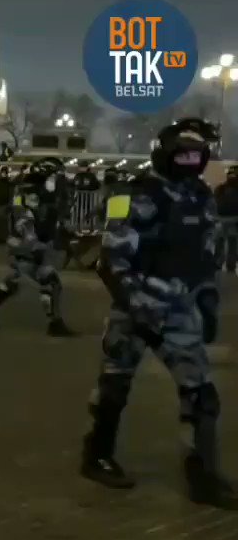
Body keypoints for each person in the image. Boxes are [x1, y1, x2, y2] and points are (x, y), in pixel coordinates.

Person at [83, 118, 236, 508]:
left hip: (180, 308)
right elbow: (112, 259)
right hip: (136, 309)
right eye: (183, 154)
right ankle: (96, 457)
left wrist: (207, 301)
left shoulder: (200, 195)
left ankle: (202, 476)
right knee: (113, 387)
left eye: (197, 155)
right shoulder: (134, 194)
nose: (190, 161)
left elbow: (204, 255)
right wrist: (139, 306)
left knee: (201, 394)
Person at [0, 157, 76, 337]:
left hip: (31, 244)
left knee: (16, 282)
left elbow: (49, 218)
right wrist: (34, 242)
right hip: (26, 245)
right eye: (56, 176)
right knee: (47, 281)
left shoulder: (42, 193)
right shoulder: (30, 193)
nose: (60, 180)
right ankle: (55, 324)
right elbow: (24, 220)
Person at [214, 165, 238, 273]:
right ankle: (230, 266)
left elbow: (214, 203)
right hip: (234, 220)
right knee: (232, 243)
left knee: (220, 242)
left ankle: (218, 263)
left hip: (220, 220)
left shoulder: (220, 188)